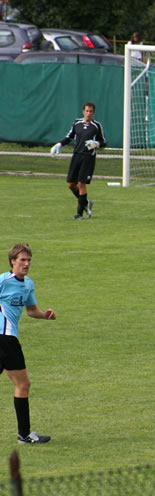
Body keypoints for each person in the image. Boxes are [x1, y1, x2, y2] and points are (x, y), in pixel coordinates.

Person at [0, 244, 56, 444]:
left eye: (29, 260)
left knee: (22, 384)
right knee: (23, 384)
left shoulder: (28, 284)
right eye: (22, 260)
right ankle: (24, 435)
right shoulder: (2, 281)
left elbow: (31, 310)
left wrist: (45, 316)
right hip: (5, 339)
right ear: (12, 261)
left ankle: (24, 435)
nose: (26, 263)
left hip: (8, 339)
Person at [50, 102, 106, 220]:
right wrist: (59, 144)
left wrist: (96, 144)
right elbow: (69, 136)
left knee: (81, 183)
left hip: (88, 157)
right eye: (87, 111)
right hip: (76, 156)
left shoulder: (96, 126)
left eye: (91, 111)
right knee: (71, 184)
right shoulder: (77, 123)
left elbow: (103, 142)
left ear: (93, 113)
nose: (88, 113)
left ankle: (79, 214)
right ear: (83, 111)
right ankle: (86, 203)